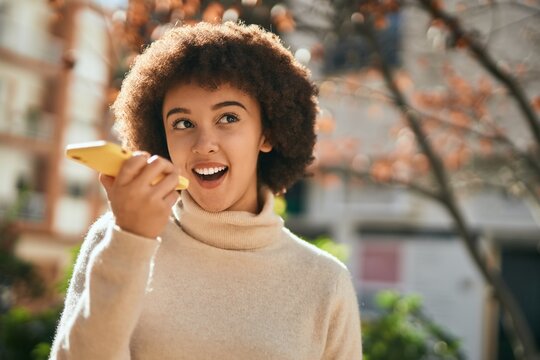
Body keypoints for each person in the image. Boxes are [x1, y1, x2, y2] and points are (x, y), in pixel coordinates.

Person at [50, 21, 362, 359]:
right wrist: (131, 240)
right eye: (183, 123)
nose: (204, 144)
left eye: (228, 118)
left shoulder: (324, 282)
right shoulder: (115, 240)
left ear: (267, 134)